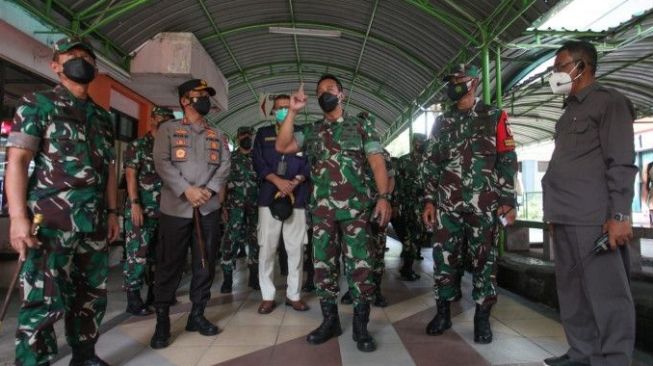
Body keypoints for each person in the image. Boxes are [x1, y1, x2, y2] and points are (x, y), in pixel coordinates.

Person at [6, 36, 119, 366]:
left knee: (92, 293)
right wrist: (17, 217)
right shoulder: (37, 103)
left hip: (94, 220)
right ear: (56, 66)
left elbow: (109, 170)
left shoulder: (102, 117)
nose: (80, 61)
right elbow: (17, 161)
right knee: (44, 297)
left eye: (87, 57)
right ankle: (34, 361)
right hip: (51, 222)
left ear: (95, 68)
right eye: (72, 56)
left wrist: (113, 213)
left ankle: (84, 355)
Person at [276, 75, 392, 352]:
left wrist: (384, 198)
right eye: (320, 92)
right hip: (323, 213)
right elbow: (282, 146)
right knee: (323, 270)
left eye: (330, 89)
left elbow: (377, 163)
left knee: (360, 269)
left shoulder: (361, 125)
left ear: (342, 94)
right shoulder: (313, 131)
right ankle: (330, 322)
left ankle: (361, 327)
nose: (324, 94)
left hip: (355, 212)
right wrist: (292, 111)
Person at [542, 40, 636, 366]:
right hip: (564, 215)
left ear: (581, 67)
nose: (555, 73)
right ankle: (583, 353)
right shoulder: (569, 110)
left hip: (593, 218)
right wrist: (552, 214)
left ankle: (614, 359)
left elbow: (621, 162)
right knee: (572, 293)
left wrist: (620, 215)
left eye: (559, 67)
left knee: (607, 295)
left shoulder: (609, 104)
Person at [421, 64, 517, 344]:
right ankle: (443, 313)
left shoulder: (494, 116)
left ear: (473, 82)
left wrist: (507, 200)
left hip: (484, 205)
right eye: (450, 81)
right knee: (443, 259)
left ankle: (482, 318)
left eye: (458, 80)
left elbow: (507, 160)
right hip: (447, 206)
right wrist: (429, 199)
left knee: (484, 261)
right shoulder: (442, 121)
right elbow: (431, 164)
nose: (453, 85)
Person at [150, 79, 231, 349]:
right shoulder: (168, 130)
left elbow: (224, 166)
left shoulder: (217, 134)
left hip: (207, 209)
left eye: (207, 96)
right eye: (200, 95)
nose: (205, 100)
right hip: (175, 209)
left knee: (204, 264)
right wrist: (187, 190)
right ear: (185, 100)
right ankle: (162, 320)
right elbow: (161, 162)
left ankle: (197, 315)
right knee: (169, 264)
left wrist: (207, 190)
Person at [253, 94, 311, 314]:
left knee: (296, 249)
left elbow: (310, 162)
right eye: (278, 108)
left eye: (287, 107)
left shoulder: (304, 134)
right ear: (272, 111)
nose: (283, 111)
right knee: (266, 248)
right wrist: (277, 180)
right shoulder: (263, 134)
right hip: (269, 197)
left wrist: (295, 181)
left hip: (297, 198)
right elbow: (258, 162)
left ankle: (293, 295)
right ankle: (267, 296)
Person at [123, 106, 174, 316]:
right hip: (141, 209)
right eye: (161, 118)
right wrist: (135, 203)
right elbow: (130, 175)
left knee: (160, 256)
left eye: (169, 120)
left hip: (166, 210)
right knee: (137, 254)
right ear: (152, 119)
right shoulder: (139, 145)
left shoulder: (172, 148)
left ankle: (157, 295)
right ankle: (133, 299)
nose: (164, 122)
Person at [220, 126, 260, 293]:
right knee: (230, 241)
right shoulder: (229, 158)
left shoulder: (258, 158)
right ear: (237, 137)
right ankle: (227, 278)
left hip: (255, 207)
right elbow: (222, 182)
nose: (246, 137)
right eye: (243, 135)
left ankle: (253, 276)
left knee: (256, 242)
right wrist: (222, 206)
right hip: (234, 208)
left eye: (249, 135)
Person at [395, 133, 428, 280]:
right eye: (418, 142)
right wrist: (396, 204)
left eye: (422, 142)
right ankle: (407, 268)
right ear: (414, 143)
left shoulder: (428, 161)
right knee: (412, 237)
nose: (419, 144)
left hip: (422, 205)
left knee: (418, 236)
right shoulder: (404, 161)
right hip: (408, 205)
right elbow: (397, 184)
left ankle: (407, 266)